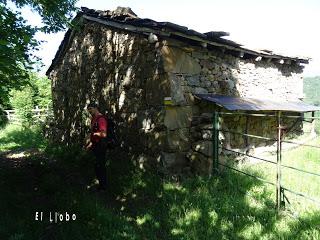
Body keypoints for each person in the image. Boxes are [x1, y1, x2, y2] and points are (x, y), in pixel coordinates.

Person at [85, 103, 108, 191]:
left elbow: (104, 134)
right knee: (97, 166)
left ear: (96, 108)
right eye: (88, 109)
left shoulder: (101, 119)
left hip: (101, 145)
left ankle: (103, 186)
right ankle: (101, 185)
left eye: (91, 109)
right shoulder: (93, 119)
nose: (89, 111)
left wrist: (93, 134)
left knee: (100, 166)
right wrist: (90, 144)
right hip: (95, 145)